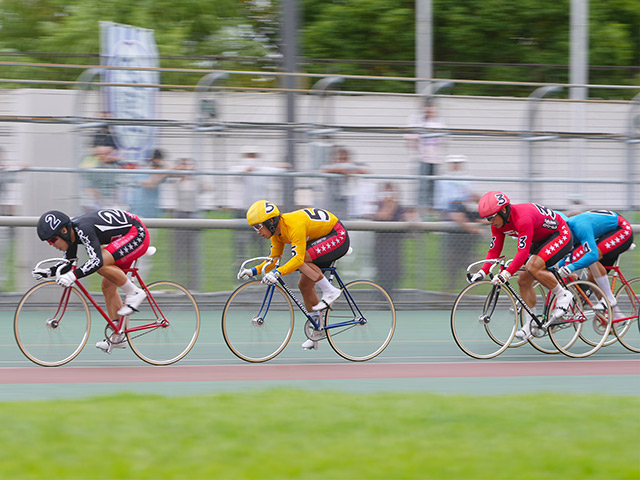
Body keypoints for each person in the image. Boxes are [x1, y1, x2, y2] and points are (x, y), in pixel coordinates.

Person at [32, 208, 150, 354]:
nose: (52, 244)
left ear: (63, 231)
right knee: (107, 286)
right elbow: (67, 263)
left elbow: (96, 262)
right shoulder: (71, 234)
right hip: (124, 238)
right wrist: (48, 272)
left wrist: (73, 276)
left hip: (136, 233)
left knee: (100, 266)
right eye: (48, 242)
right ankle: (118, 336)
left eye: (52, 240)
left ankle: (135, 292)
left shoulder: (83, 229)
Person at [237, 200, 350, 350]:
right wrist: (252, 271)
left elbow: (297, 259)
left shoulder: (293, 225)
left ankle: (331, 290)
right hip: (321, 238)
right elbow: (273, 260)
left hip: (337, 235)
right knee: (304, 285)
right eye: (254, 228)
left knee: (301, 259)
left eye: (258, 226)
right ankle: (317, 329)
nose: (257, 231)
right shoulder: (276, 233)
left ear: (270, 221)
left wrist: (277, 273)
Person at [469, 191, 574, 340]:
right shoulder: (498, 224)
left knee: (533, 267)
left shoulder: (522, 218)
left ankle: (563, 294)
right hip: (539, 239)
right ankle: (530, 325)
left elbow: (523, 253)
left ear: (504, 211)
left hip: (560, 234)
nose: (490, 221)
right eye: (487, 219)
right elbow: (494, 251)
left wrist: (506, 273)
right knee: (523, 280)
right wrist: (481, 272)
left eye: (492, 217)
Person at [557, 210, 634, 319]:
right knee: (591, 278)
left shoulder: (581, 226)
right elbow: (566, 257)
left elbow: (592, 255)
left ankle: (609, 299)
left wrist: (570, 268)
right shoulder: (569, 229)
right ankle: (616, 315)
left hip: (622, 230)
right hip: (607, 233)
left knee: (591, 258)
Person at [434, 155, 482, 291]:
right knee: (452, 261)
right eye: (453, 163)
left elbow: (472, 200)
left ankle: (469, 287)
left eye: (458, 163)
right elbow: (444, 204)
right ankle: (451, 289)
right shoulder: (444, 181)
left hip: (464, 216)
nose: (456, 166)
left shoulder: (467, 180)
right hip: (453, 219)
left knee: (467, 257)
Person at [370, 182, 417, 292]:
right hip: (381, 247)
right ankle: (381, 299)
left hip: (395, 246)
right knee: (383, 274)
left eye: (391, 192)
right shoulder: (380, 205)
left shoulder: (400, 207)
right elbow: (383, 216)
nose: (389, 195)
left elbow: (409, 218)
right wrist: (389, 204)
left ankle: (392, 298)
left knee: (395, 273)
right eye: (387, 192)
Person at [405, 102, 446, 218]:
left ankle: (431, 212)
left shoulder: (438, 123)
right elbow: (410, 137)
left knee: (432, 187)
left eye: (431, 111)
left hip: (434, 159)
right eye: (427, 111)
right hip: (421, 158)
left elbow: (442, 138)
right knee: (422, 187)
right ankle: (421, 212)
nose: (429, 114)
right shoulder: (417, 121)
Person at [321, 146, 370, 220]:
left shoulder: (350, 167)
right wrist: (341, 170)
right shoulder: (331, 167)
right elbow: (323, 170)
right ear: (335, 159)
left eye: (345, 159)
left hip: (344, 209)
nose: (343, 162)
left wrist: (351, 172)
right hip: (330, 207)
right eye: (341, 159)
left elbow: (365, 170)